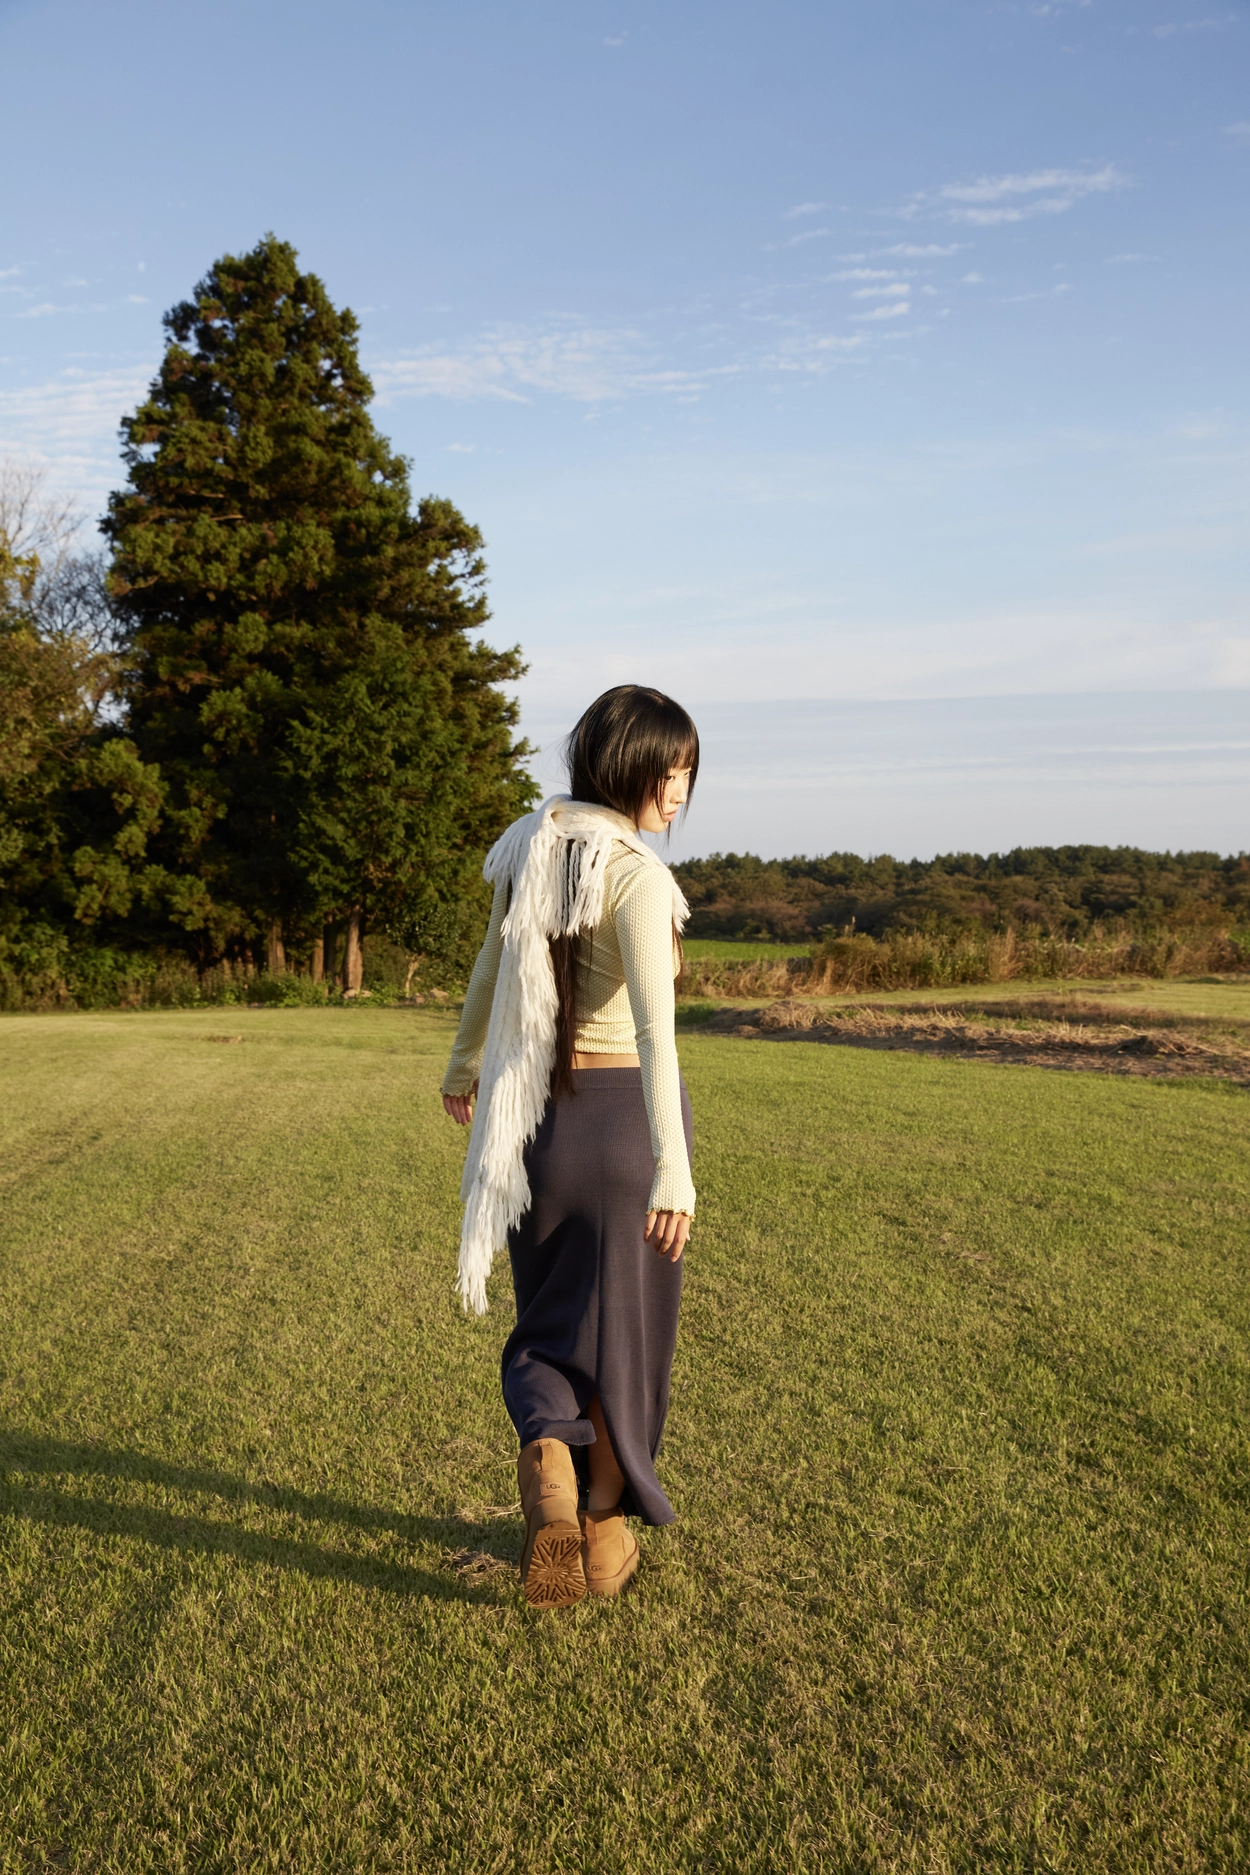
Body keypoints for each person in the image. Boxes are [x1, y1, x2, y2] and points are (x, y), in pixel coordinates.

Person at [441, 684, 698, 1610]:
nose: (680, 791)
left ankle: (549, 1459)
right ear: (628, 766)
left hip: (537, 1122)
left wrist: (461, 1066)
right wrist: (673, 1166)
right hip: (627, 1125)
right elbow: (658, 1034)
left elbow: (487, 967)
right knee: (625, 1338)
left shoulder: (527, 849)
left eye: (688, 772)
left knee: (551, 1318)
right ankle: (601, 1529)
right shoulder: (638, 876)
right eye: (670, 770)